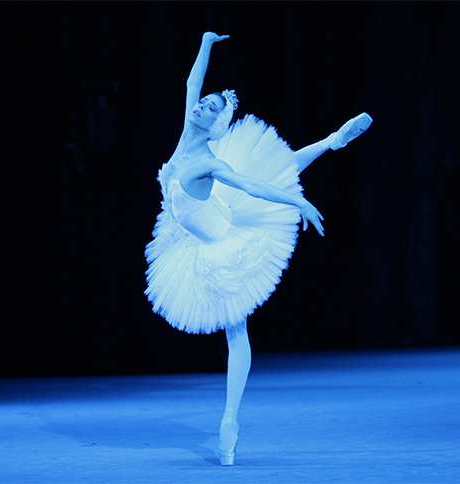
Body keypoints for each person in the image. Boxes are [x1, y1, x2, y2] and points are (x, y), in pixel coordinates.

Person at [144, 32, 372, 465]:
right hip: (195, 231)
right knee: (277, 167)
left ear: (216, 124)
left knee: (237, 330)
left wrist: (299, 201)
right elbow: (192, 83)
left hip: (226, 236)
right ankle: (329, 143)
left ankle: (229, 421)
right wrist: (207, 43)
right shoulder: (182, 139)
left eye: (211, 108)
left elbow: (253, 186)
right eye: (203, 103)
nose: (200, 106)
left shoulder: (209, 161)